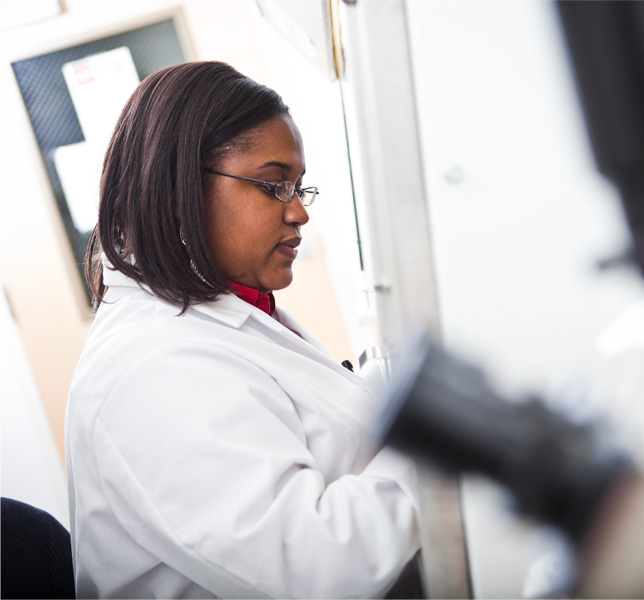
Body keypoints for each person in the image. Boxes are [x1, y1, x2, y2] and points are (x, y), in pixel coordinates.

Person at [65, 61, 420, 599]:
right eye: (275, 185)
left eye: (300, 188)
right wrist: (431, 442)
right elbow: (320, 566)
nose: (299, 212)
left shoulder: (224, 313)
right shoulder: (155, 367)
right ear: (181, 191)